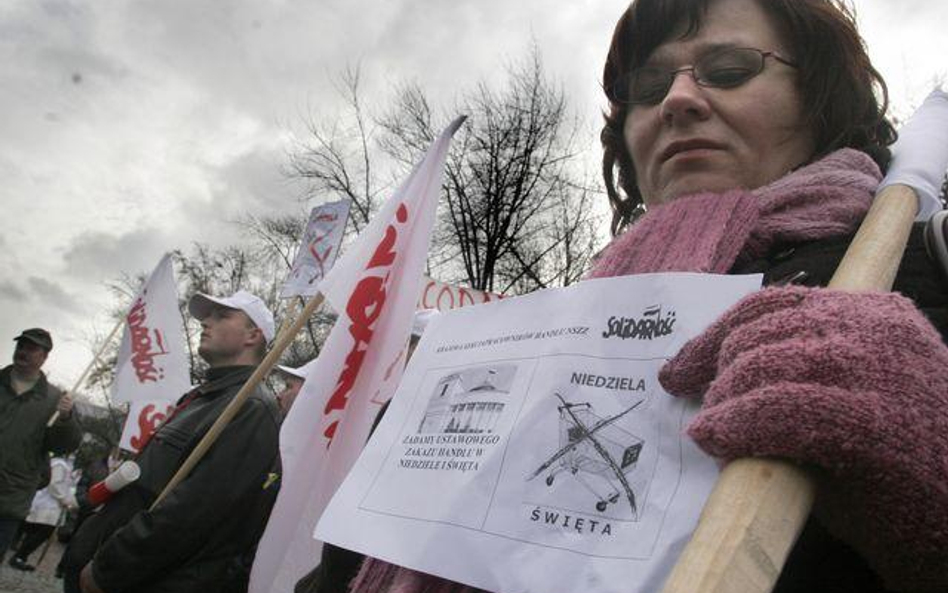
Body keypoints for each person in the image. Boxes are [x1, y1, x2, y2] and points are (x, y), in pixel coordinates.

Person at [343, 0, 948, 592]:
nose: (678, 101)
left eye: (730, 70)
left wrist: (928, 471)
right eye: (649, 86)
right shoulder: (552, 324)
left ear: (818, 100)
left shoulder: (919, 273)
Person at [63, 290, 283, 593]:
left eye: (221, 316)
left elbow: (193, 513)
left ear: (253, 335)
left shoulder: (250, 409)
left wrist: (109, 568)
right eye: (207, 315)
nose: (206, 322)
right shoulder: (199, 398)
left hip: (135, 580)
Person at [0, 328, 80, 561]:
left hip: (10, 498)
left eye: (31, 348)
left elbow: (66, 445)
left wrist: (65, 419)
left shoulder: (54, 400)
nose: (23, 351)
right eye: (21, 346)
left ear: (44, 357)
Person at [8, 456, 77, 571]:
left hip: (50, 503)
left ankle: (20, 556)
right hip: (48, 504)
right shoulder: (59, 464)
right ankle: (19, 556)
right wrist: (65, 500)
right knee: (42, 532)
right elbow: (55, 484)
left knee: (36, 531)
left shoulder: (60, 463)